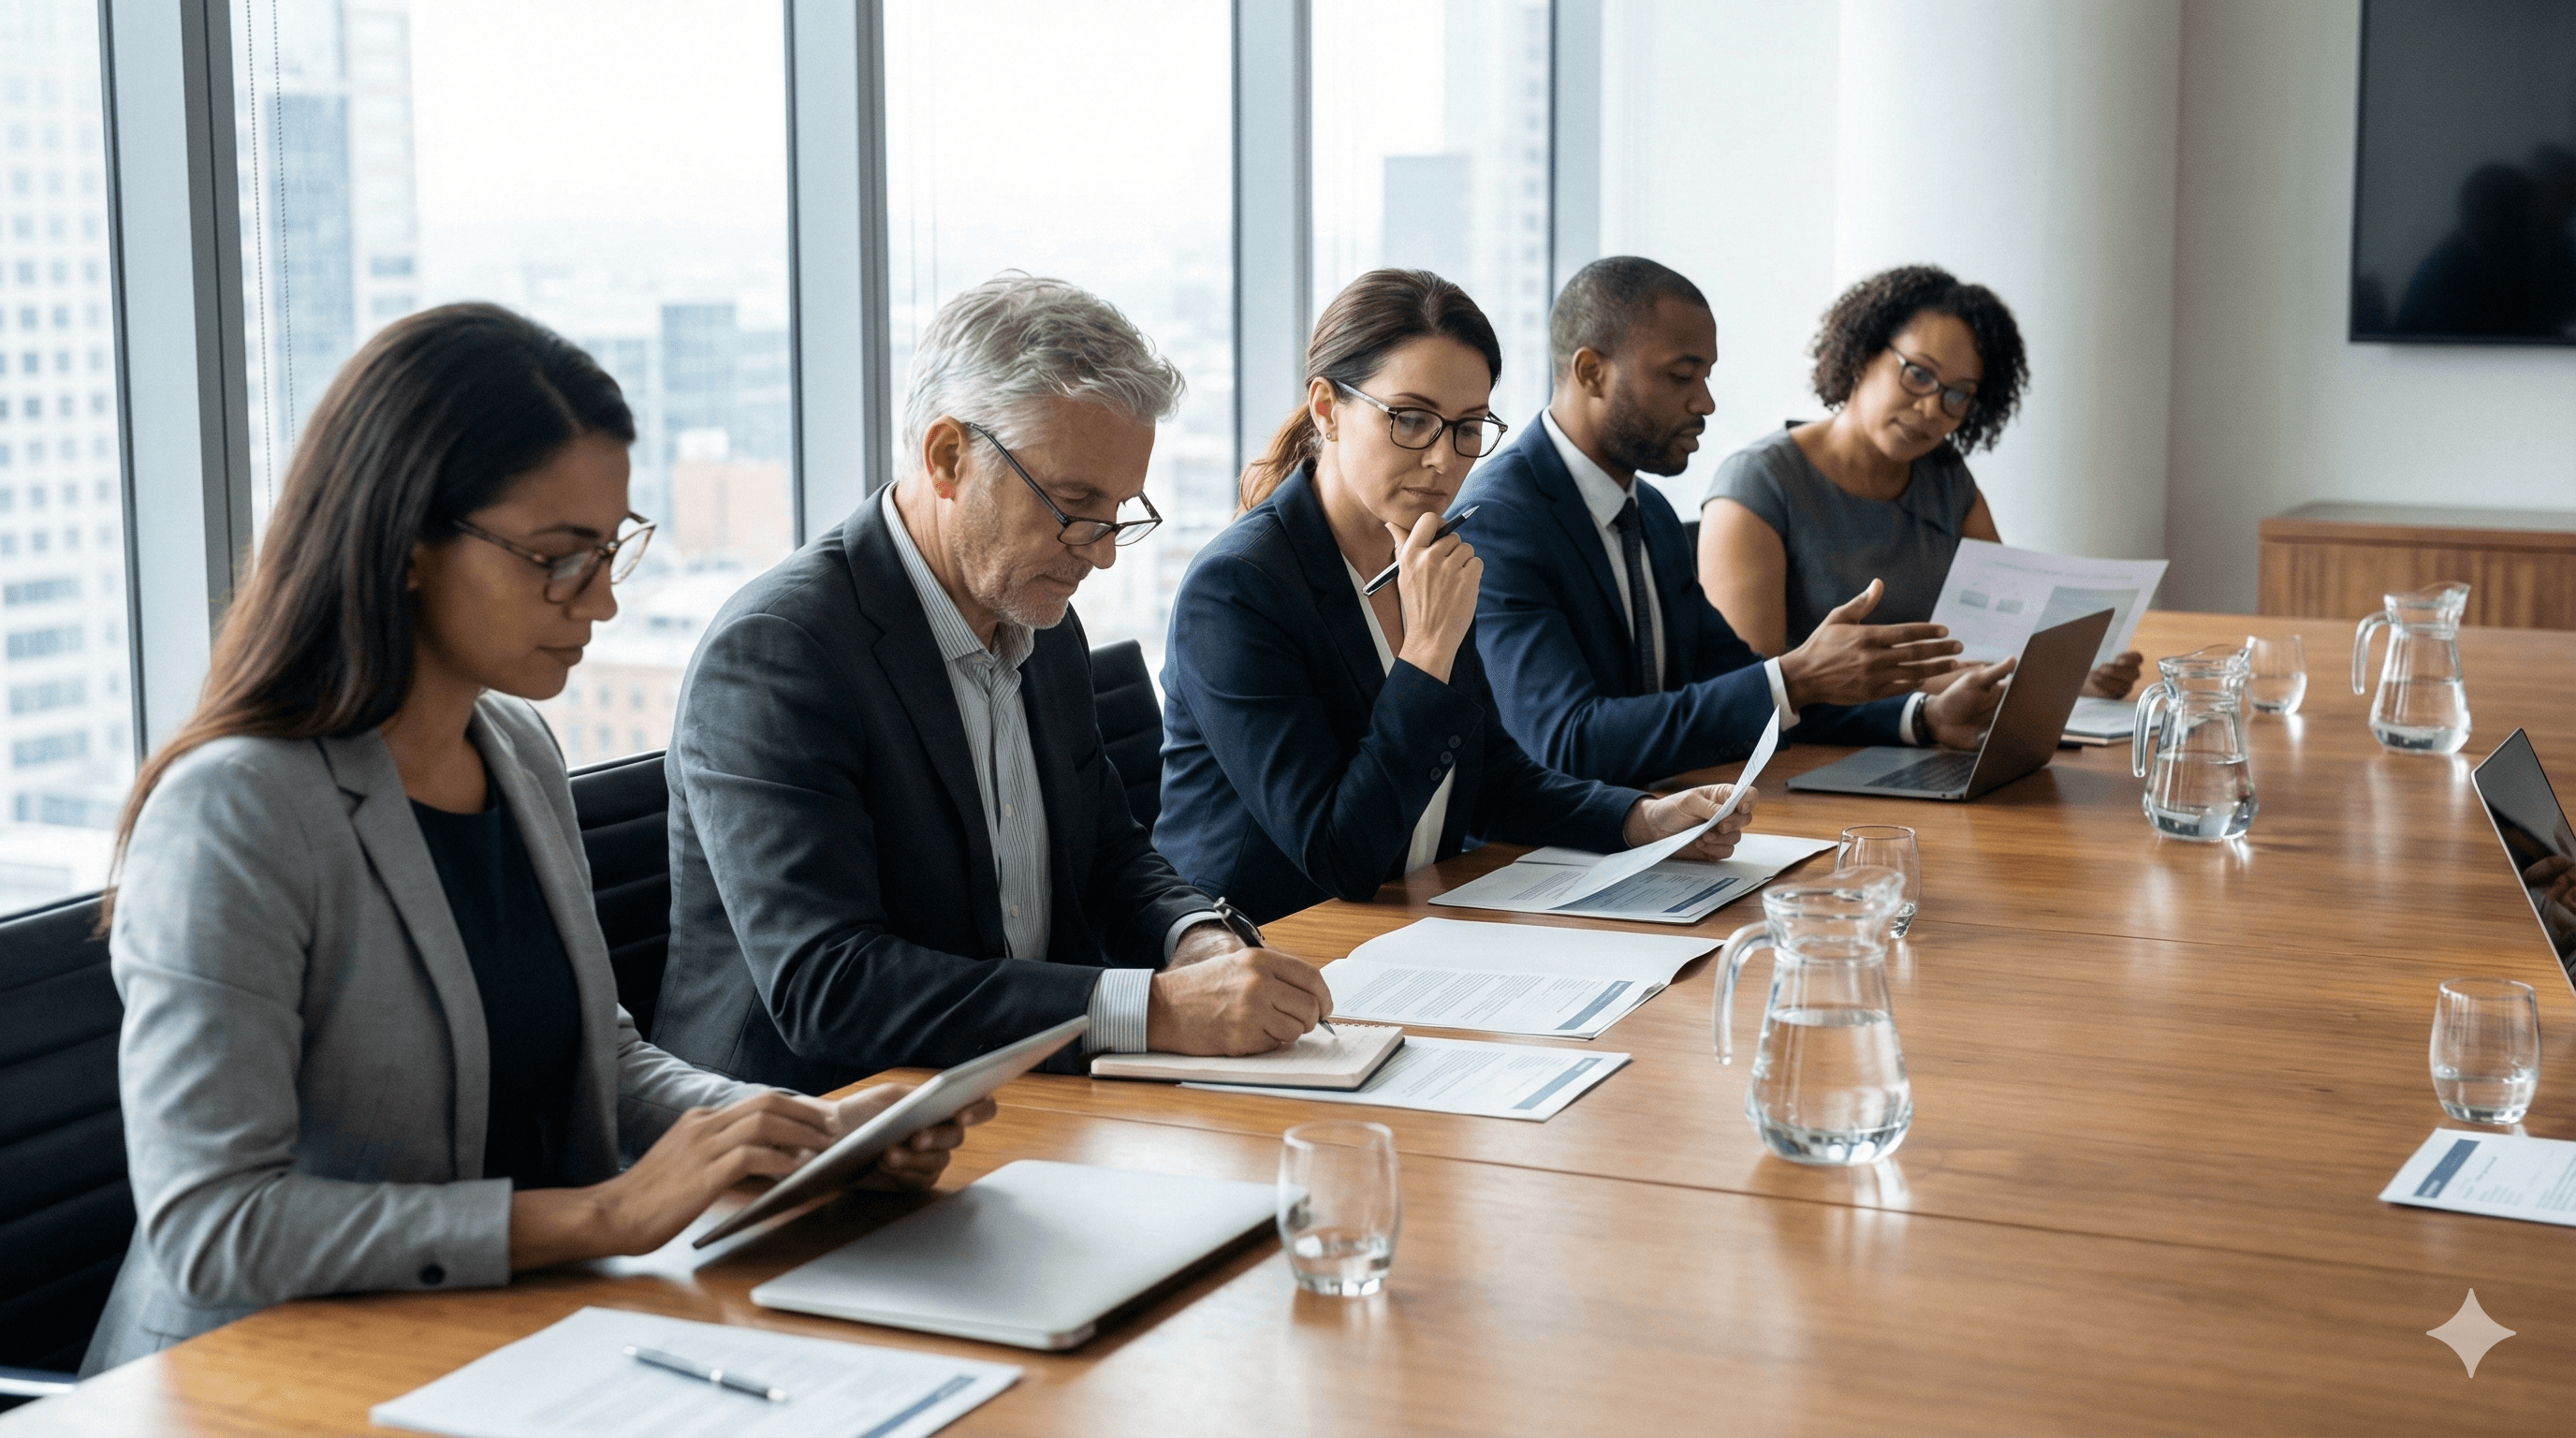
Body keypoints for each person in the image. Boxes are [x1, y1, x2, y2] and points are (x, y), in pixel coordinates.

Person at [81, 305, 986, 1375]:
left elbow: (595, 1058)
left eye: (609, 550)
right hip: (259, 1374)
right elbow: (214, 1226)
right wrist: (599, 1218)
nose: (599, 598)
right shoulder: (237, 808)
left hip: (498, 1341)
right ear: (407, 542)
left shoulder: (513, 746)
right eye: (557, 558)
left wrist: (793, 1131)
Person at [656, 274, 1331, 1093]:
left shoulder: (1040, 618)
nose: (1102, 550)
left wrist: (1196, 939)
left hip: (1013, 1091)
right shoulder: (779, 652)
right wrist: (1153, 1010)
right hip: (814, 1129)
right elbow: (829, 986)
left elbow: (1108, 853)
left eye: (1118, 511)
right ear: (948, 458)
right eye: (1075, 502)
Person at [1156, 270, 1756, 924]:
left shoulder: (1424, 552)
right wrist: (1429, 648)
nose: (1444, 460)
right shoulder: (1238, 589)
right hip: (1278, 947)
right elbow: (1338, 853)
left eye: (1468, 427)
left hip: (1409, 919)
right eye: (1411, 420)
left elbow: (1485, 773)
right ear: (1327, 409)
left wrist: (1639, 818)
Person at [1456, 257, 2014, 789]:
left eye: (1707, 376)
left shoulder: (1646, 511)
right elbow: (1566, 744)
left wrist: (1923, 717)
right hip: (1540, 863)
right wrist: (1796, 677)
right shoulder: (1499, 522)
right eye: (1682, 376)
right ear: (1591, 372)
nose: (1706, 403)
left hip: (1662, 826)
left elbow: (1746, 690)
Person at [1697, 264, 2143, 700]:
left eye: (1957, 395)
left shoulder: (1946, 478)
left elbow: (1999, 637)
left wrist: (2071, 674)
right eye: (1919, 374)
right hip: (1809, 750)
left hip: (1935, 732)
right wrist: (1936, 692)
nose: (1932, 410)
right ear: (1863, 354)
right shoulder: (1757, 484)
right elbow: (1752, 688)